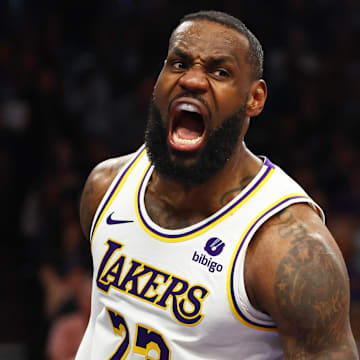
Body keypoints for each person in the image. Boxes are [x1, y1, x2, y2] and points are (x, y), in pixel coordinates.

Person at [75, 10, 359, 360]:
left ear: (254, 98)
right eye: (178, 64)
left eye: (219, 71)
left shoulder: (287, 249)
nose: (192, 80)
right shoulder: (106, 187)